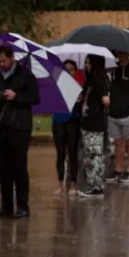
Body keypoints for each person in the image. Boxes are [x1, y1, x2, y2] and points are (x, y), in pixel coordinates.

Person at [0, 45, 40, 219]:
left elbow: (35, 97)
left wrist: (16, 96)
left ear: (11, 58)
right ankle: (6, 205)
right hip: (2, 126)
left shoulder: (25, 75)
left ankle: (23, 205)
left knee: (19, 167)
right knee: (4, 168)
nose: (1, 64)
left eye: (4, 60)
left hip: (20, 126)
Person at [106, 51, 129, 185]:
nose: (120, 55)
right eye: (119, 53)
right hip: (113, 112)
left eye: (123, 53)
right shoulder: (113, 67)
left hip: (128, 112)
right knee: (118, 142)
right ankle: (118, 168)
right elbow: (109, 86)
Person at [78, 55, 110, 197]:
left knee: (95, 154)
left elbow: (106, 100)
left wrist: (105, 99)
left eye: (88, 63)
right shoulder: (89, 82)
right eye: (85, 63)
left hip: (96, 122)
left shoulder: (102, 80)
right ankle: (92, 183)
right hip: (87, 121)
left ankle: (96, 185)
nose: (86, 66)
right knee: (88, 155)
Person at [51, 60, 82, 196]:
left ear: (76, 72)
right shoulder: (56, 86)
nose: (70, 72)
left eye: (72, 69)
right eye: (67, 69)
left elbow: (82, 109)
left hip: (73, 122)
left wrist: (80, 101)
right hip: (58, 122)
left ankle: (73, 185)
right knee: (60, 153)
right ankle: (60, 185)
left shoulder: (79, 87)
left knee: (73, 153)